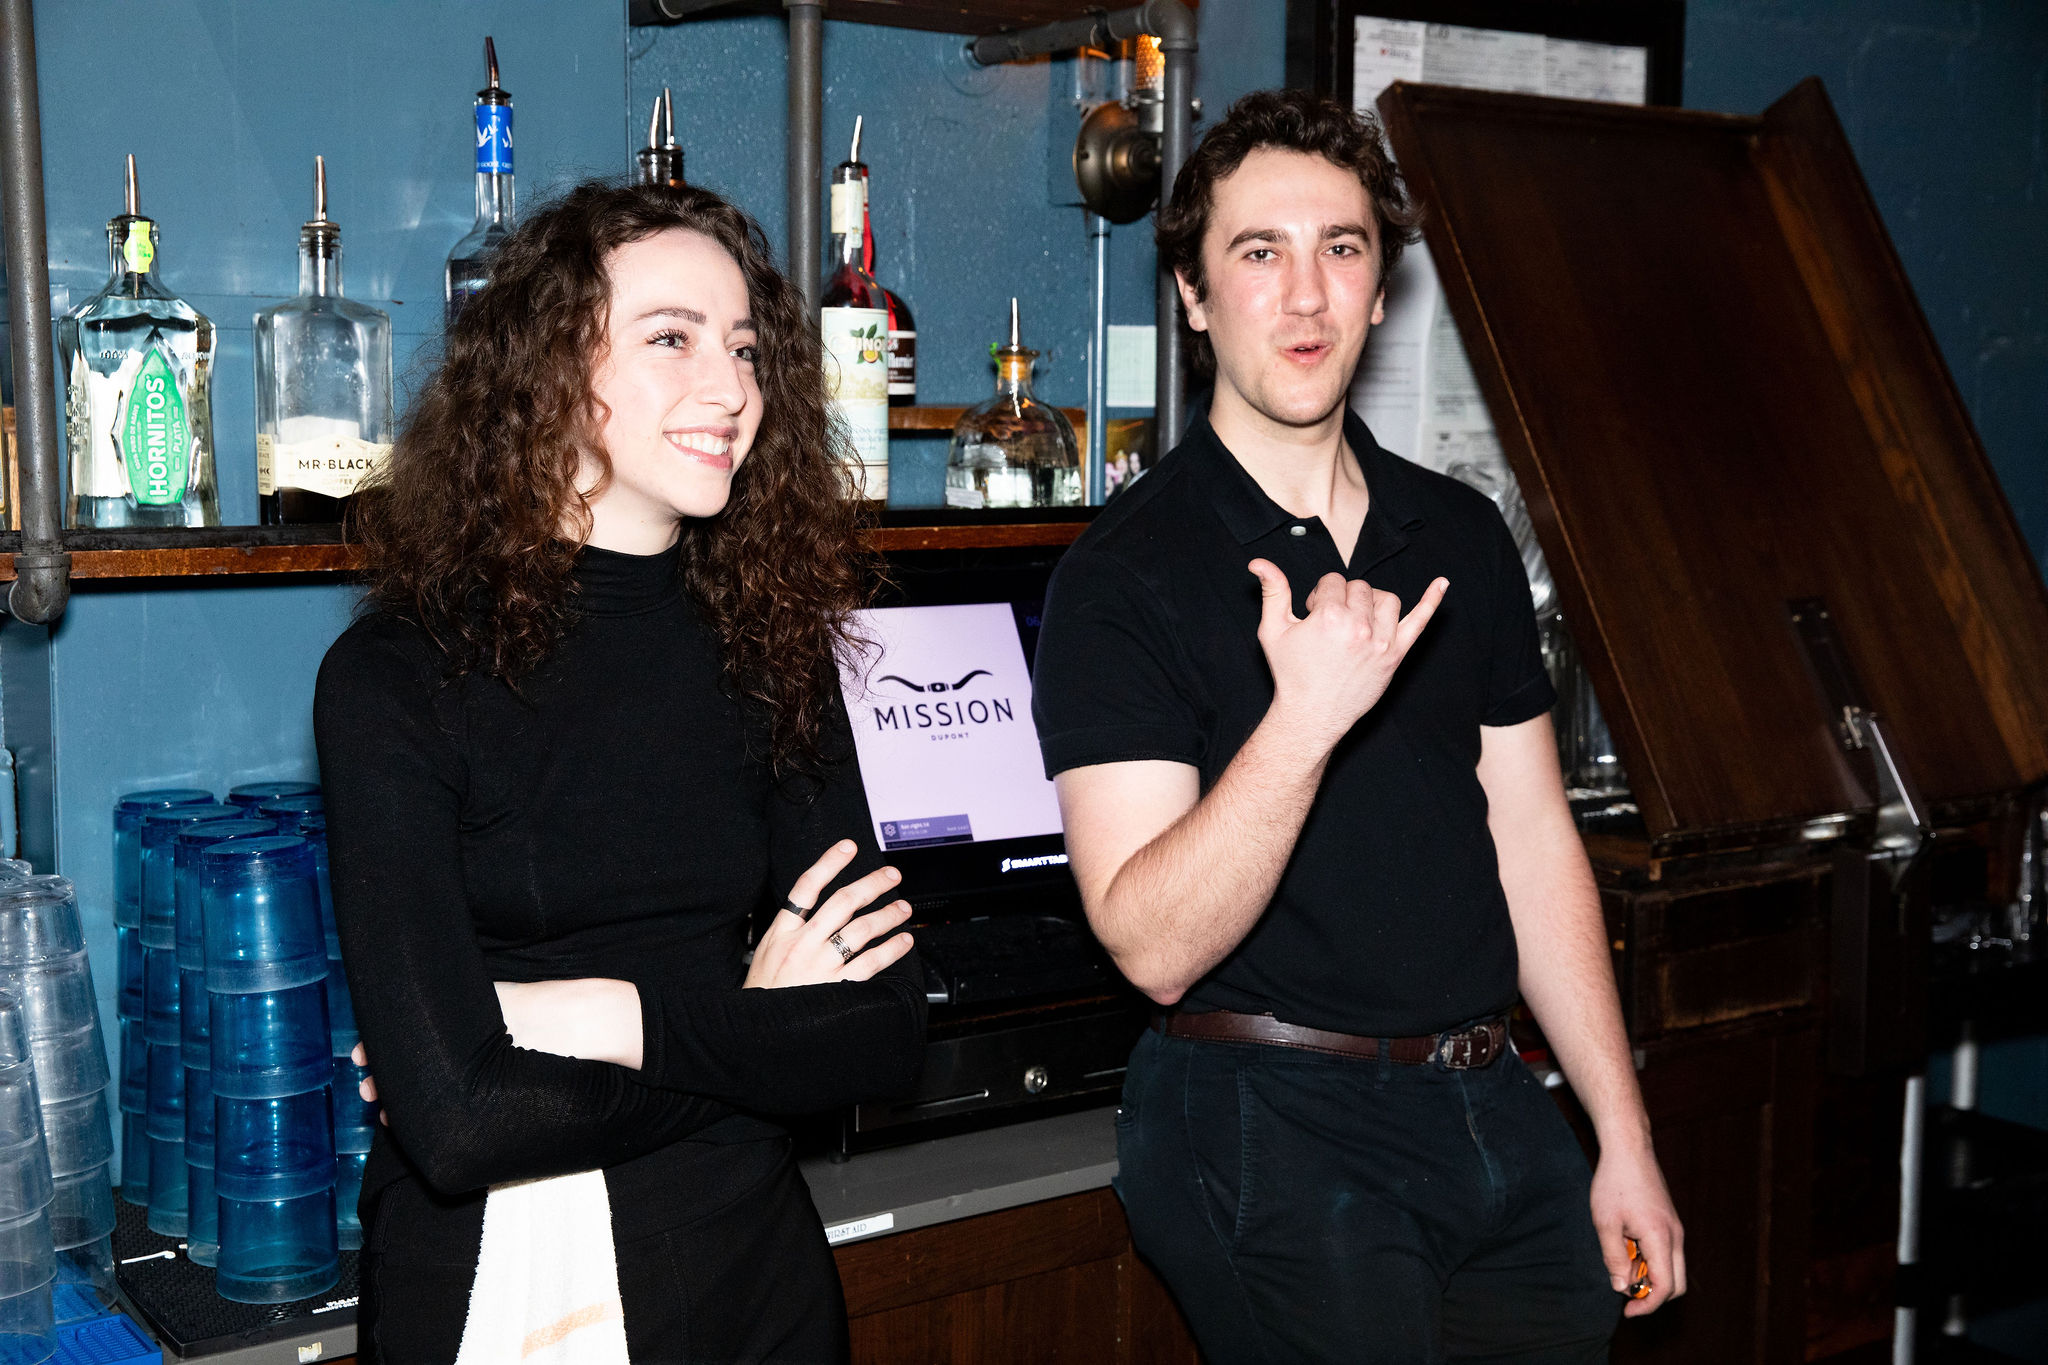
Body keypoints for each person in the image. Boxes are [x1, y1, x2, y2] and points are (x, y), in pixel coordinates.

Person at [1031, 90, 1685, 1362]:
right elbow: (1150, 943)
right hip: (1267, 1114)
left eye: (1340, 249)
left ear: (1381, 289)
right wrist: (1305, 721)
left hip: (1494, 1105)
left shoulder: (1456, 535)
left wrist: (1621, 1135)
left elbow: (1530, 833)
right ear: (1192, 296)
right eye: (1256, 253)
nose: (1304, 294)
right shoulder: (1125, 574)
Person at [314, 180, 926, 1363]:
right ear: (547, 369)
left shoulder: (772, 649)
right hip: (506, 1279)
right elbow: (460, 1122)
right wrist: (752, 1029)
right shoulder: (397, 675)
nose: (732, 389)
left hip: (757, 1276)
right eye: (670, 339)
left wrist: (601, 1019)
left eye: (745, 348)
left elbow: (885, 1037)